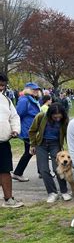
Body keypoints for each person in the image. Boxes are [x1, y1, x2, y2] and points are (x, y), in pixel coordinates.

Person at [29, 102, 71, 203]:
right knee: (43, 170)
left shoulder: (65, 120)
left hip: (55, 144)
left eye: (59, 117)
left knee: (58, 168)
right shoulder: (41, 117)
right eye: (54, 117)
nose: (57, 119)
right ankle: (52, 193)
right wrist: (32, 144)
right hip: (41, 144)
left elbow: (68, 134)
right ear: (50, 114)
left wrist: (69, 148)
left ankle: (64, 191)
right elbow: (32, 131)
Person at [0, 73, 24, 208]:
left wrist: (15, 130)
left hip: (3, 142)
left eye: (2, 85)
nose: (0, 88)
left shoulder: (6, 101)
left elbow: (14, 117)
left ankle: (9, 199)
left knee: (5, 171)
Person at [11, 83, 41, 182]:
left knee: (34, 151)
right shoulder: (24, 100)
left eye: (37, 89)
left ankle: (41, 172)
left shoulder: (34, 99)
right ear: (27, 89)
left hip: (34, 129)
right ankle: (17, 173)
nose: (36, 91)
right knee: (30, 152)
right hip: (28, 130)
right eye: (33, 89)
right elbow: (18, 115)